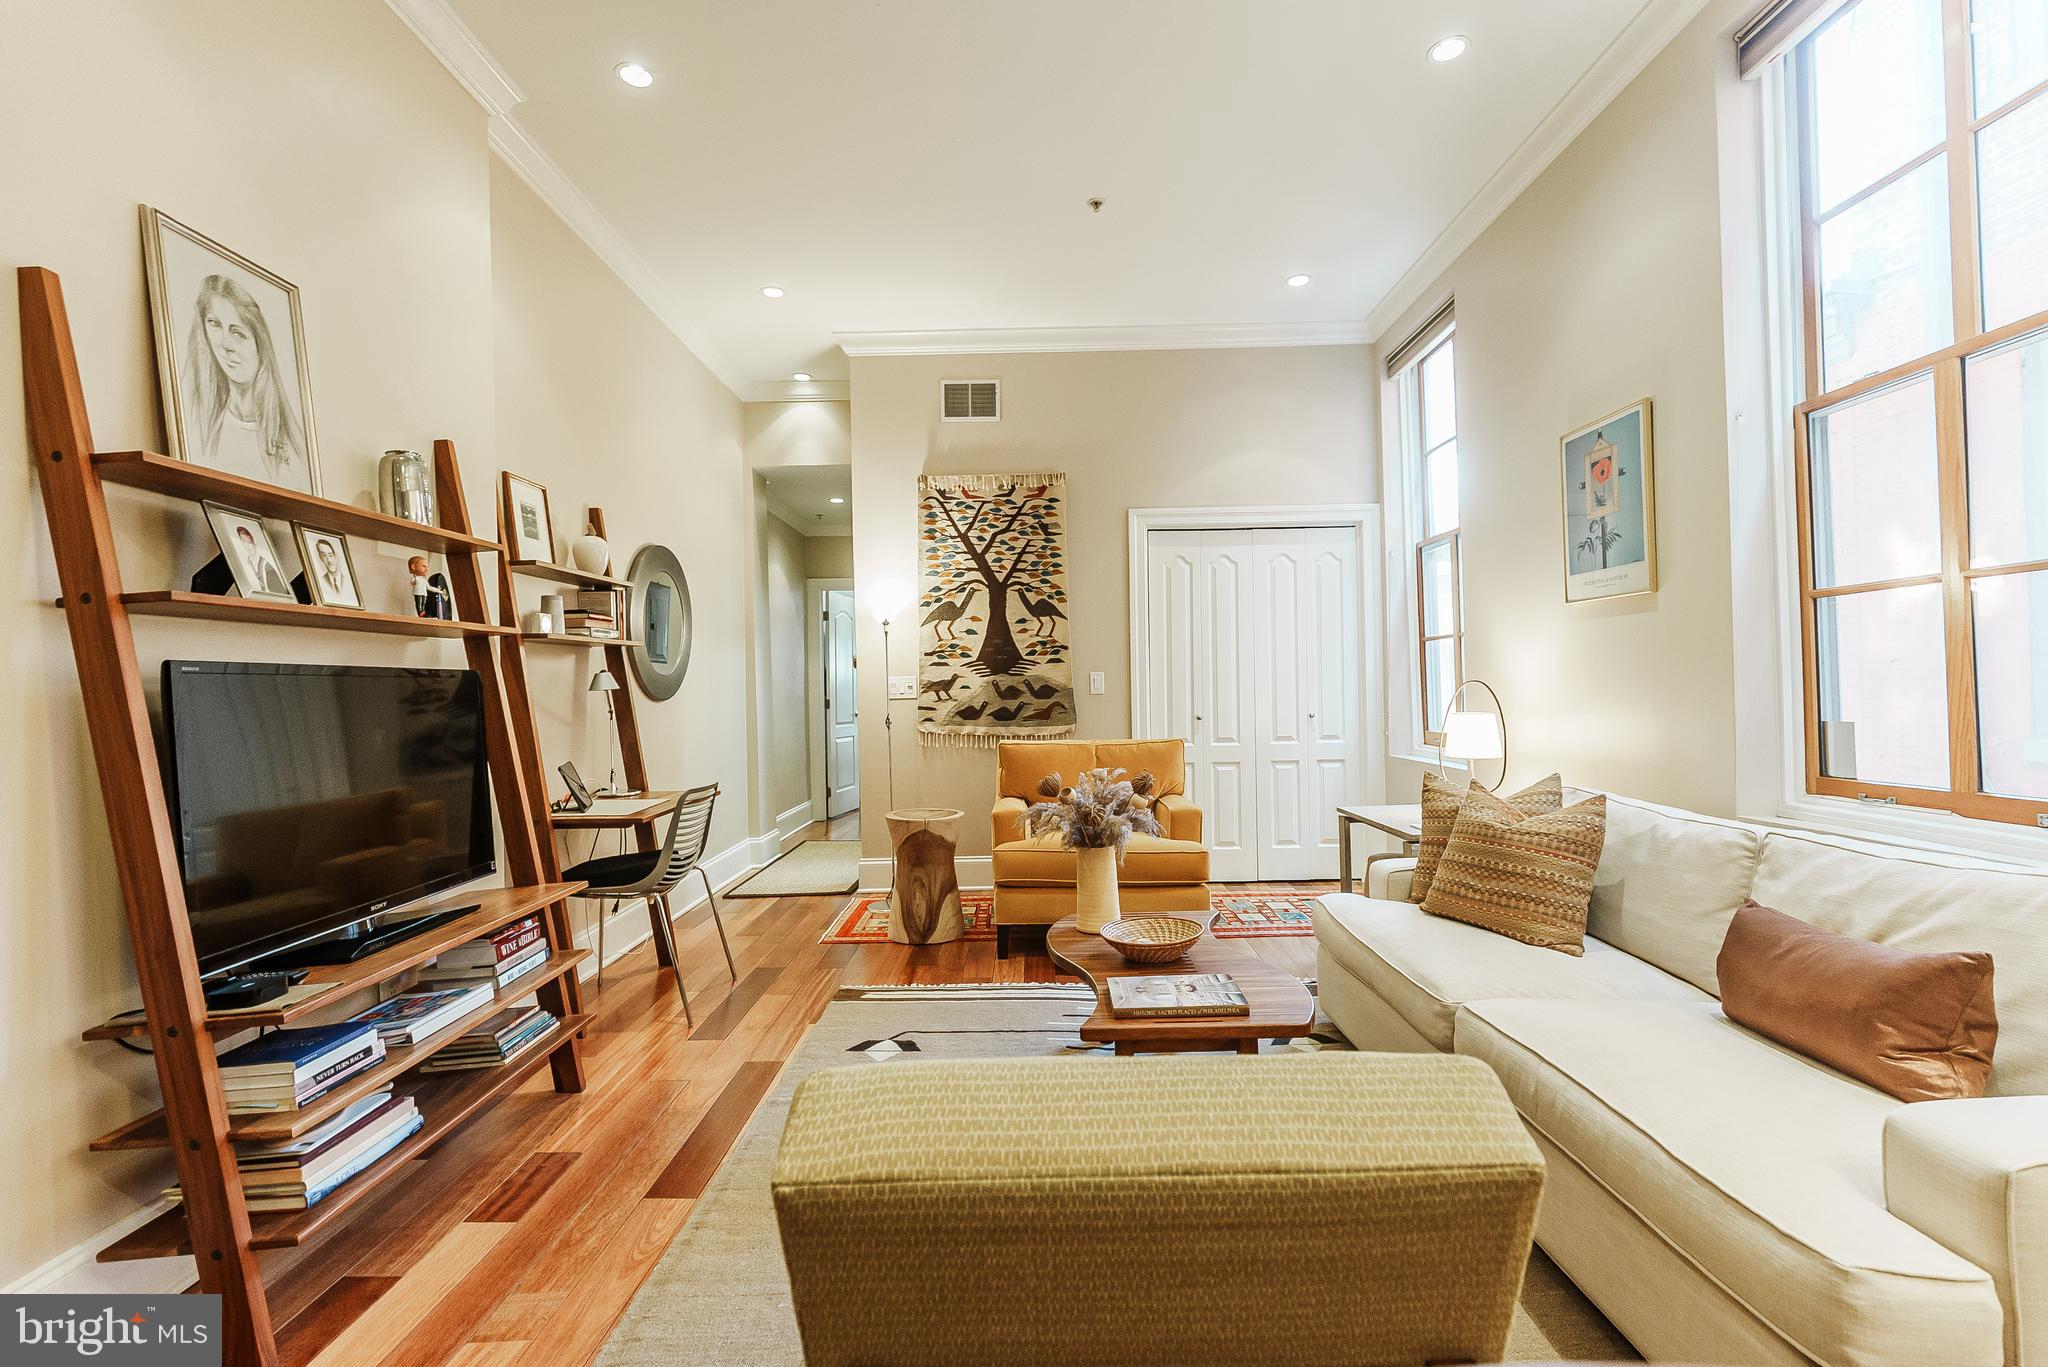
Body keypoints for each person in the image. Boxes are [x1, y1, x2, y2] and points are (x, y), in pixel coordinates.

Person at [183, 274, 309, 491]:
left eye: (238, 333)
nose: (225, 345)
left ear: (260, 345)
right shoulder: (199, 431)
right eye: (214, 324)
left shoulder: (293, 447)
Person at [232, 524, 291, 597]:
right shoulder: (248, 562)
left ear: (253, 542)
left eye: (249, 542)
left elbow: (280, 594)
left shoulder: (266, 565)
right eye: (244, 542)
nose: (248, 546)